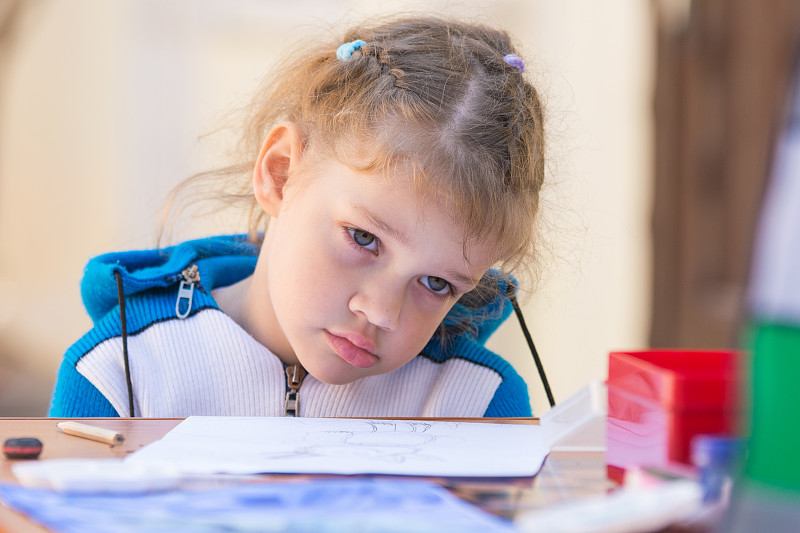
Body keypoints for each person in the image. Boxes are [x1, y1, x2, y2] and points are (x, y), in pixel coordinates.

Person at [48, 15, 546, 418]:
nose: (382, 313)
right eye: (364, 238)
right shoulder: (119, 375)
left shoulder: (478, 404)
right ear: (281, 172)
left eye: (437, 283)